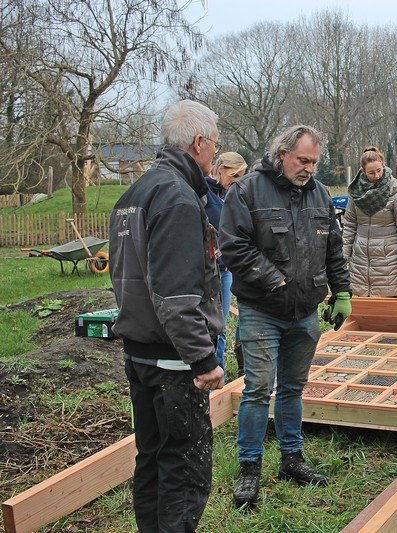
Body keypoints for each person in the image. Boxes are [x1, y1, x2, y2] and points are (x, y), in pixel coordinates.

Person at [219, 125, 351, 508]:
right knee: (258, 389)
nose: (309, 168)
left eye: (314, 162)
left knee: (293, 388)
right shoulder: (246, 191)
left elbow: (334, 249)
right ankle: (249, 468)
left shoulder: (320, 194)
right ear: (282, 155)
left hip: (305, 313)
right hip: (262, 310)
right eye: (303, 160)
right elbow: (233, 246)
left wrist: (342, 292)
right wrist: (273, 279)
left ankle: (292, 458)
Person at [109, 99, 225, 532]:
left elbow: (127, 278)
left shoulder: (135, 193)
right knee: (182, 469)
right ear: (198, 142)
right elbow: (176, 297)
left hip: (140, 352)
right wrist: (203, 360)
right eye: (215, 144)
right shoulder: (176, 198)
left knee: (152, 460)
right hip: (173, 362)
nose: (215, 152)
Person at [342, 146, 397, 297]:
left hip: (388, 263)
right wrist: (343, 259)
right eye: (371, 173)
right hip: (360, 262)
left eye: (379, 170)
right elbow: (349, 226)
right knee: (362, 309)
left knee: (386, 309)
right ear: (363, 171)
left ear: (383, 165)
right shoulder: (355, 193)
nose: (377, 176)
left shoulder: (396, 191)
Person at [204, 152, 248, 374]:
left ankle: (218, 370)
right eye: (235, 175)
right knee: (211, 324)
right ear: (221, 169)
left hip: (226, 269)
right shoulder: (204, 193)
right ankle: (209, 369)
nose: (238, 180)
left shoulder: (227, 194)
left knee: (221, 325)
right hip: (209, 269)